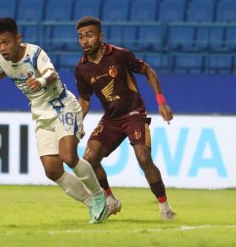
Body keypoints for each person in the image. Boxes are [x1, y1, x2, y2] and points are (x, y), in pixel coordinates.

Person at [0, 17, 108, 224]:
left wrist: (40, 80)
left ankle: (100, 196)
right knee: (52, 170)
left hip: (62, 107)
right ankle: (92, 204)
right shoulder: (2, 60)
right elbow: (0, 71)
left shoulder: (35, 53)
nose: (3, 48)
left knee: (68, 156)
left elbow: (51, 73)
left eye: (6, 42)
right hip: (41, 115)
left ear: (17, 38)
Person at [73, 16, 177, 221]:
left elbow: (146, 70)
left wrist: (161, 101)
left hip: (133, 113)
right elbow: (84, 100)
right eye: (81, 37)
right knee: (89, 159)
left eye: (90, 35)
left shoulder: (119, 55)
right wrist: (77, 123)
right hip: (111, 118)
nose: (85, 41)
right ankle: (110, 200)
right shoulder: (82, 69)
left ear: (100, 36)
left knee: (144, 158)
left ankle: (165, 207)